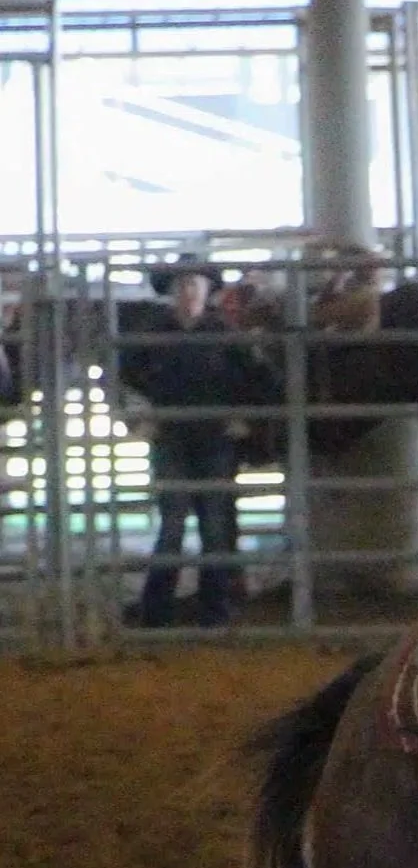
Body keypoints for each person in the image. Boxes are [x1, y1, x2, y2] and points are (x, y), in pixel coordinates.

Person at [122, 257, 260, 629]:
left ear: (206, 290)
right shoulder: (173, 333)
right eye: (182, 284)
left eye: (193, 284)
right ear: (172, 291)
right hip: (179, 437)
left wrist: (244, 415)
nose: (187, 291)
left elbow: (258, 379)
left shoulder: (213, 334)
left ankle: (182, 608)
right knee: (178, 523)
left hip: (206, 438)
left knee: (207, 524)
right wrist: (140, 408)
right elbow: (125, 379)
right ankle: (196, 609)